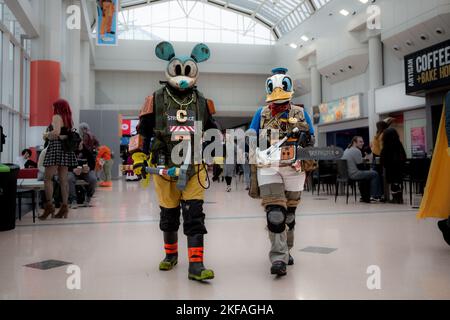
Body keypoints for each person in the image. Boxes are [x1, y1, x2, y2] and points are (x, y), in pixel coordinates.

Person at [132, 41, 218, 281]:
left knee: (194, 214)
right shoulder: (155, 99)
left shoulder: (202, 101)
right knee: (168, 214)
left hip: (195, 165)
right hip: (163, 165)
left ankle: (196, 265)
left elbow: (212, 129)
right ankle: (170, 256)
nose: (182, 76)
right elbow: (143, 131)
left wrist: (217, 156)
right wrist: (139, 158)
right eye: (177, 70)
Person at [249, 67, 314, 277]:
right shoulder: (261, 113)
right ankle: (278, 257)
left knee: (289, 215)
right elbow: (252, 133)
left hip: (294, 168)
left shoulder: (301, 113)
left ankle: (287, 249)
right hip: (268, 167)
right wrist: (248, 141)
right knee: (275, 214)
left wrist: (306, 138)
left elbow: (311, 136)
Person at [39, 99, 78, 220]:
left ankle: (49, 205)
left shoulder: (56, 116)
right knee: (63, 180)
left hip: (56, 148)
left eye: (54, 107)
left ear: (57, 108)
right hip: (65, 149)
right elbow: (65, 134)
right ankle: (64, 207)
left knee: (47, 178)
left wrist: (46, 135)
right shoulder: (68, 119)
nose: (53, 109)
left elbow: (56, 132)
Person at [342, 136, 382, 203]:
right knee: (374, 173)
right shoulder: (356, 151)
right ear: (354, 142)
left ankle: (363, 197)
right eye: (360, 142)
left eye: (363, 141)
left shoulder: (347, 149)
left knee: (368, 173)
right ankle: (374, 196)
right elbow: (360, 167)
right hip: (354, 174)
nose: (362, 143)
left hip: (347, 174)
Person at [380, 128, 406, 204]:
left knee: (393, 183)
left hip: (390, 168)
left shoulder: (386, 146)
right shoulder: (399, 143)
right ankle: (399, 198)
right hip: (400, 168)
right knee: (396, 182)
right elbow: (404, 155)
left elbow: (383, 159)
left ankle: (395, 198)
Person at [68, 142, 97, 209]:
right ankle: (73, 200)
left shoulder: (87, 151)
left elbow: (92, 163)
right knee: (69, 178)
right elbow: (66, 164)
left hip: (85, 172)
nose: (78, 145)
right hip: (74, 171)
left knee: (93, 179)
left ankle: (88, 197)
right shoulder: (70, 151)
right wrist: (73, 169)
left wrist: (89, 168)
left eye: (79, 143)